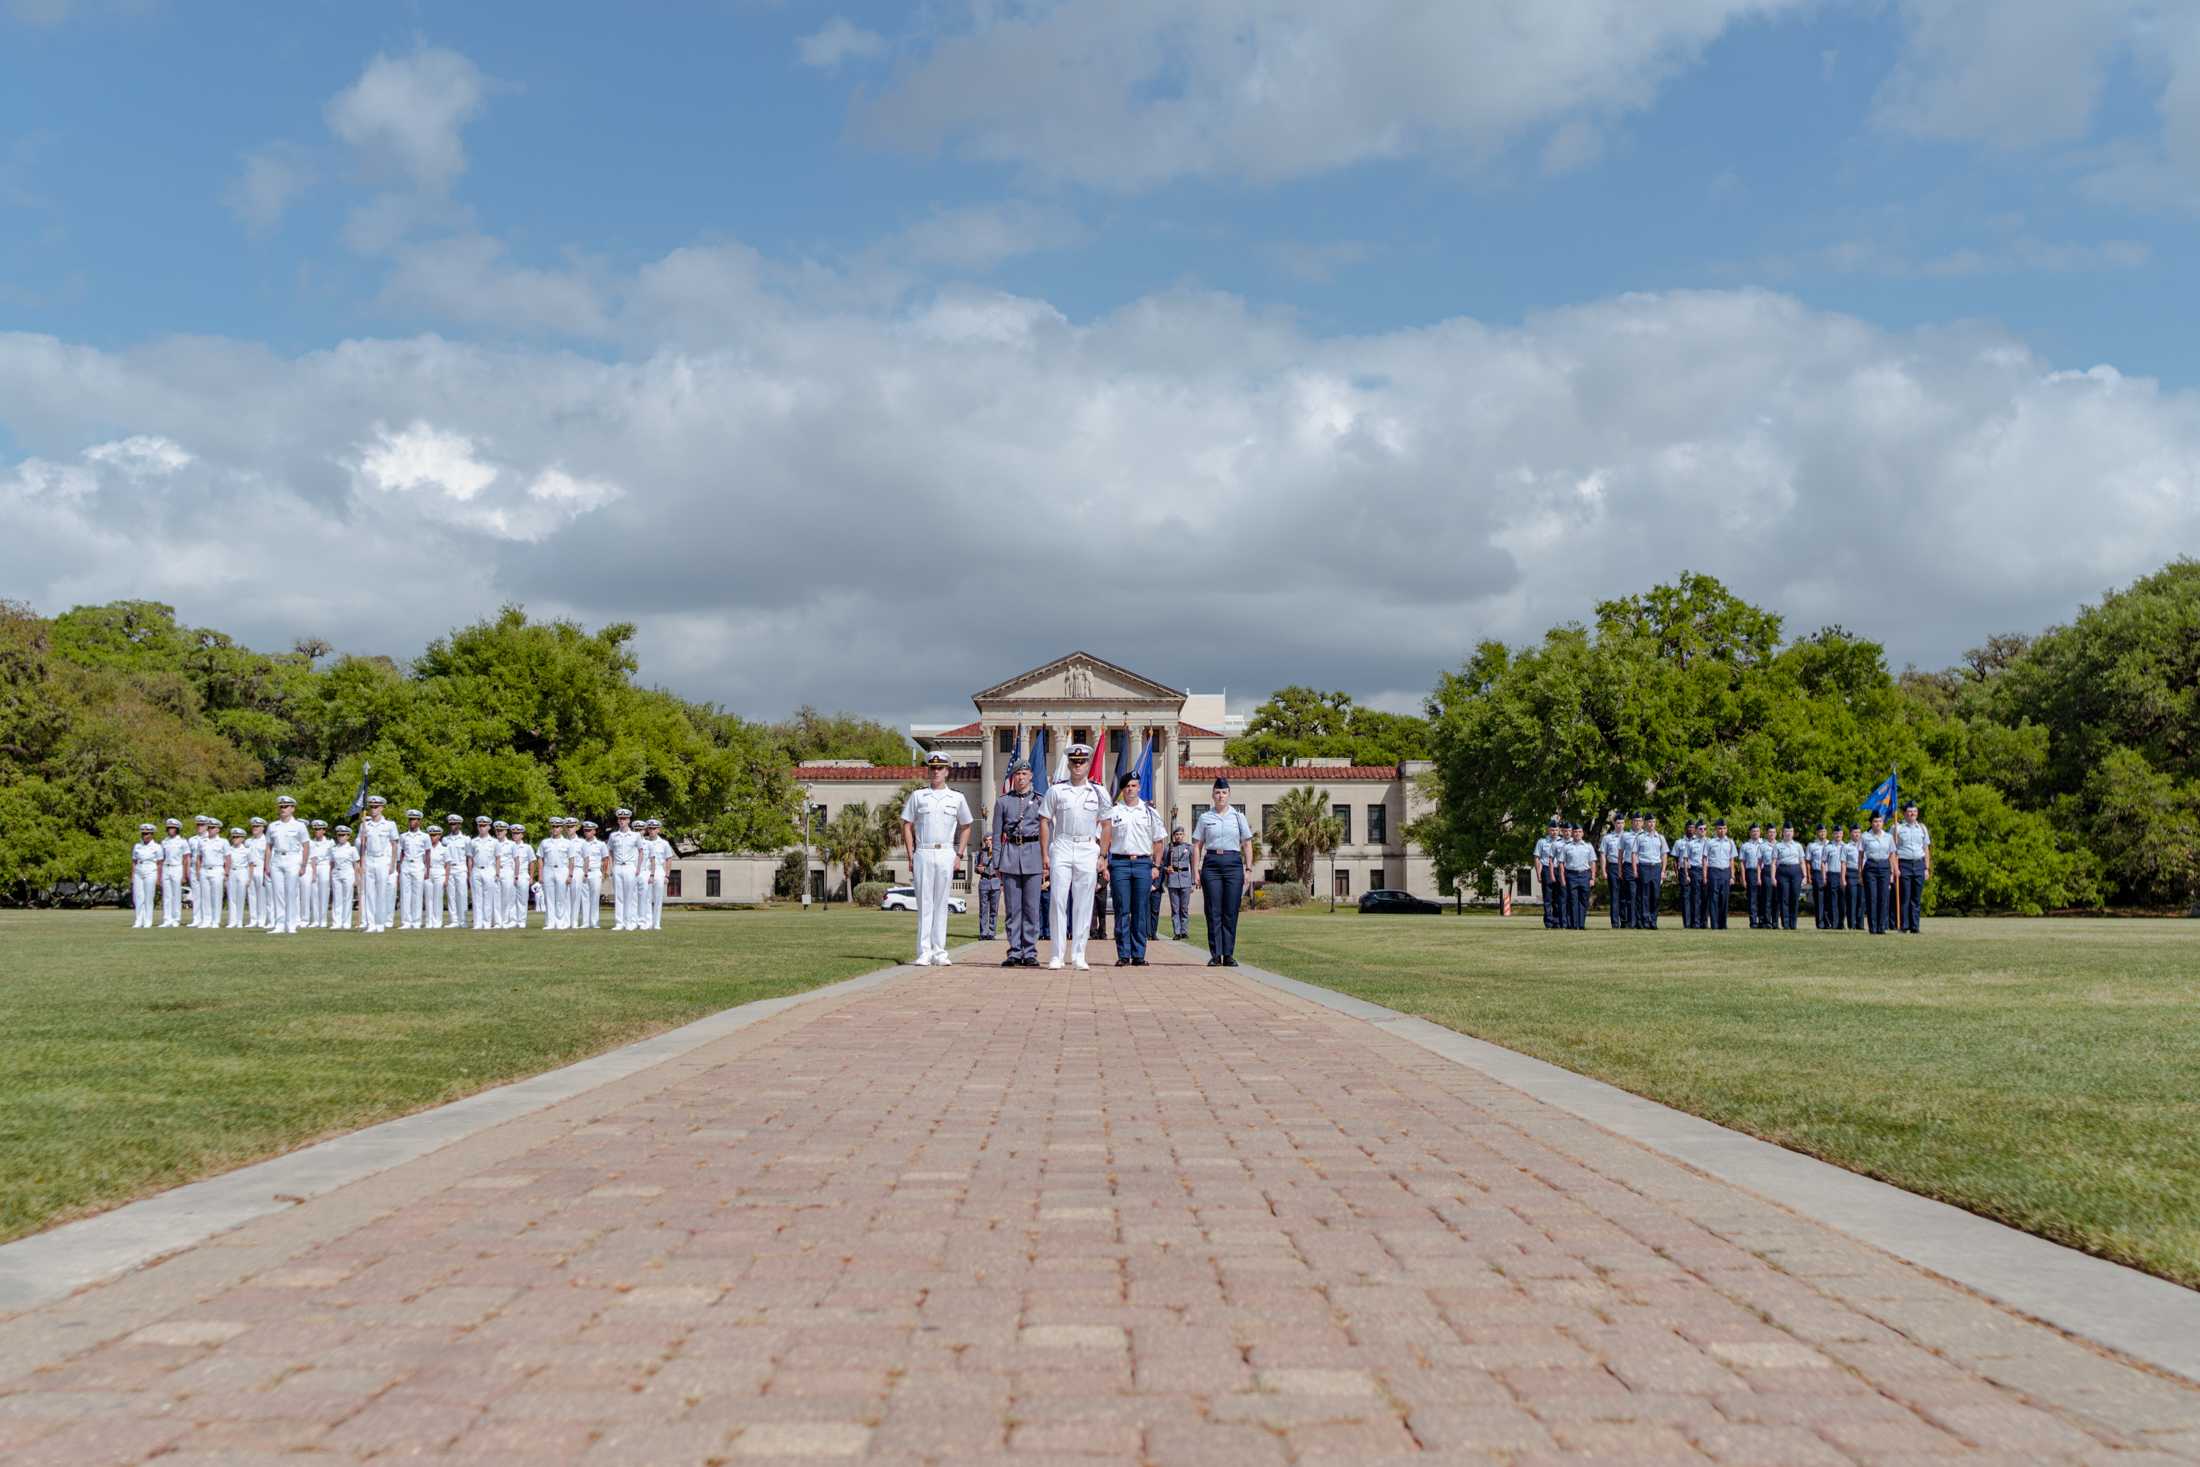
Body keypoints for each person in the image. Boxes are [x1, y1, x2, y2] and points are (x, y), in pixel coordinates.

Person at [903, 753, 973, 966]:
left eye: (940, 768)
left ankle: (940, 951)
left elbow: (967, 825)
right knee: (924, 903)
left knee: (941, 904)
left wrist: (960, 854)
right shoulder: (918, 796)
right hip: (923, 851)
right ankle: (924, 951)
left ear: (947, 771)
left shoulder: (956, 798)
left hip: (945, 852)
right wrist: (910, 854)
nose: (936, 771)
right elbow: (906, 824)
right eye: (932, 768)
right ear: (928, 770)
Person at [1040, 743, 1106, 970]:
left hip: (1088, 847)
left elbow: (1107, 824)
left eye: (1082, 762)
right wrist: (1045, 854)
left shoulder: (1098, 791)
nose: (1078, 765)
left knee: (1084, 903)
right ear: (1068, 763)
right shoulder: (1056, 790)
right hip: (1062, 845)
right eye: (1075, 762)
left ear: (1088, 764)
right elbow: (1044, 821)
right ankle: (1057, 954)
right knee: (1058, 900)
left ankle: (1079, 954)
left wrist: (1103, 854)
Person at [1102, 771, 1166, 967]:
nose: (1130, 789)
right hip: (1120, 863)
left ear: (1139, 788)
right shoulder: (1114, 811)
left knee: (1140, 910)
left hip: (1143, 864)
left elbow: (1158, 841)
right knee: (1122, 910)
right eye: (1127, 786)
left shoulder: (1149, 812)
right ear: (1122, 789)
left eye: (1134, 785)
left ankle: (1139, 954)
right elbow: (1104, 837)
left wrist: (1156, 865)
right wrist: (1103, 860)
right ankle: (1123, 954)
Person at [990, 762, 1046, 968]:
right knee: (1013, 909)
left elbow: (1046, 833)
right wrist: (997, 861)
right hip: (1011, 855)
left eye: (1024, 773)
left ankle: (1030, 951)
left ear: (1031, 775)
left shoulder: (1040, 800)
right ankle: (1014, 951)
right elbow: (997, 834)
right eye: (1018, 774)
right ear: (1013, 777)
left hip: (1034, 855)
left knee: (1031, 908)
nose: (1021, 777)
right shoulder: (1003, 802)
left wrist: (1047, 859)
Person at [1192, 776, 1250, 966]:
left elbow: (1247, 844)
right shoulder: (1205, 817)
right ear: (1212, 795)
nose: (1220, 796)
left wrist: (1248, 869)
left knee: (1231, 910)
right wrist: (1196, 870)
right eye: (1217, 792)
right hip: (1212, 863)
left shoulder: (1238, 817)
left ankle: (1229, 954)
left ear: (1229, 794)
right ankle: (1216, 954)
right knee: (1213, 910)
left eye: (1224, 792)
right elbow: (1197, 845)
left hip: (1233, 863)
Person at [266, 795, 308, 935]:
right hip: (277, 859)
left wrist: (303, 865)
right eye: (281, 806)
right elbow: (268, 847)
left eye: (286, 806)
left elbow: (306, 846)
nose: (283, 809)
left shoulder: (299, 826)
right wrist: (266, 865)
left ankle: (291, 924)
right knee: (277, 893)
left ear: (292, 809)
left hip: (292, 858)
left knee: (291, 892)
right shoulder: (273, 826)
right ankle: (279, 924)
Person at [357, 797, 397, 934]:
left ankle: (380, 923)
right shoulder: (365, 825)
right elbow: (362, 846)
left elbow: (394, 844)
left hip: (382, 860)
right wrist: (361, 863)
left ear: (382, 808)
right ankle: (371, 923)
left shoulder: (389, 825)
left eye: (376, 806)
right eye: (371, 806)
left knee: (381, 893)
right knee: (369, 893)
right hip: (369, 859)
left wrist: (392, 864)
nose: (373, 809)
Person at [1895, 801, 1931, 934]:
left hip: (1919, 864)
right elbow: (1892, 850)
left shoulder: (1922, 828)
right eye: (1910, 811)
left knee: (1916, 897)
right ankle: (1904, 926)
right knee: (1905, 896)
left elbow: (1926, 848)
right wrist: (1895, 868)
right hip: (1904, 864)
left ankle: (1915, 926)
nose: (1912, 814)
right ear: (1904, 813)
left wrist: (1926, 868)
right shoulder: (1897, 828)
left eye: (1915, 811)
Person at [607, 808, 643, 930]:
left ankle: (631, 922)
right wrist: (611, 867)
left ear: (628, 820)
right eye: (620, 819)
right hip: (618, 867)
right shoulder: (613, 836)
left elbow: (641, 851)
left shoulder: (635, 835)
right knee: (619, 896)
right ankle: (619, 922)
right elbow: (610, 852)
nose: (622, 821)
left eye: (624, 819)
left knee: (631, 896)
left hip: (629, 866)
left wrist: (638, 867)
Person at [1633, 813, 1667, 928]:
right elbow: (1634, 854)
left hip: (1656, 867)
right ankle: (1646, 920)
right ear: (1645, 823)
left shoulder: (1660, 837)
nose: (1651, 824)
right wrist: (1635, 870)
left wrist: (1663, 871)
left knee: (1656, 895)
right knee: (1644, 895)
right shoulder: (1640, 837)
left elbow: (1664, 855)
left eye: (1653, 822)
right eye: (1649, 822)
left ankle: (1654, 920)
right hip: (1644, 867)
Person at [1160, 825, 1194, 940]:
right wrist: (1166, 869)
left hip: (1185, 880)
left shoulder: (1189, 848)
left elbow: (1193, 866)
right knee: (1175, 908)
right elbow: (1162, 864)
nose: (1179, 836)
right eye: (1177, 835)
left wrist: (1193, 882)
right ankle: (1177, 932)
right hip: (1173, 880)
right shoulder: (1168, 848)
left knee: (1184, 908)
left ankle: (1184, 931)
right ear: (1174, 836)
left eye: (1181, 834)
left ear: (1183, 835)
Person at [1702, 818, 1736, 930]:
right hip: (1714, 871)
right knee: (1713, 898)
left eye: (1724, 828)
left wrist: (1732, 876)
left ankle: (1723, 924)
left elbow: (1732, 860)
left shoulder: (1730, 842)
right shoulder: (1710, 842)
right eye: (1720, 828)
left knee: (1724, 898)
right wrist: (1705, 875)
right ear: (1716, 830)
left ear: (1727, 829)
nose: (1722, 830)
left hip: (1725, 871)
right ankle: (1714, 924)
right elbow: (1705, 859)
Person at [1561, 821, 1595, 928]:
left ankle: (1581, 924)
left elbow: (1592, 863)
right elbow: (1561, 863)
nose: (1577, 834)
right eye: (1575, 832)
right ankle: (1574, 925)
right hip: (1571, 875)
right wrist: (1562, 878)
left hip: (1585, 875)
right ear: (1572, 833)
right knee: (1573, 901)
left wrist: (1592, 878)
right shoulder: (1566, 847)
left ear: (1582, 833)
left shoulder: (1588, 846)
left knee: (1584, 901)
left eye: (1579, 832)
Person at [440, 814, 471, 930]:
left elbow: (469, 857)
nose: (452, 826)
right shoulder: (445, 840)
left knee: (462, 895)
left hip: (461, 868)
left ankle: (463, 920)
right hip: (449, 869)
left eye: (454, 823)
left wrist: (469, 874)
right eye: (451, 823)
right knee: (451, 895)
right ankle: (454, 920)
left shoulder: (466, 839)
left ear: (459, 824)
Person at [130, 824, 163, 928]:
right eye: (143, 833)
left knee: (148, 897)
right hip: (139, 871)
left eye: (146, 833)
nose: (144, 835)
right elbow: (134, 862)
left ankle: (148, 921)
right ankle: (138, 920)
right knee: (138, 897)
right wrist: (132, 875)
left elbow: (160, 864)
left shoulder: (157, 847)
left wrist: (158, 878)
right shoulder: (137, 846)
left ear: (152, 834)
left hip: (150, 870)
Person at [1600, 810, 1629, 928]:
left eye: (1622, 823)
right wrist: (1603, 871)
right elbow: (1602, 854)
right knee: (1614, 895)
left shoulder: (1629, 837)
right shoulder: (1607, 838)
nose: (1620, 825)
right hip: (1613, 867)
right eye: (1618, 823)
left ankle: (1625, 921)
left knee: (1625, 895)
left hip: (1626, 867)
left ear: (1624, 824)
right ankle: (1615, 922)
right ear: (1614, 824)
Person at [1772, 823, 1803, 931]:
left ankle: (1793, 923)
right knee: (1784, 898)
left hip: (1796, 871)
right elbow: (1774, 863)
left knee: (1794, 897)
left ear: (1793, 833)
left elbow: (1802, 861)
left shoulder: (1798, 846)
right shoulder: (1778, 846)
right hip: (1783, 871)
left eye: (1790, 831)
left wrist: (1805, 876)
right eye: (1786, 831)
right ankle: (1785, 923)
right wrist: (1773, 877)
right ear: (1783, 833)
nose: (1788, 833)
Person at [328, 824, 359, 930]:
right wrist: (330, 876)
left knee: (347, 898)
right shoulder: (333, 849)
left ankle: (346, 922)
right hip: (336, 873)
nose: (341, 837)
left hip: (348, 873)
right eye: (339, 835)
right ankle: (336, 922)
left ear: (348, 836)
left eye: (343, 835)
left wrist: (356, 878)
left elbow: (356, 865)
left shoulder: (352, 849)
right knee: (337, 898)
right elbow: (331, 863)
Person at [644, 819, 674, 930]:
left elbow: (669, 859)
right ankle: (648, 922)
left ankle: (656, 923)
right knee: (647, 898)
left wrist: (667, 875)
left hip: (659, 871)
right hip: (647, 871)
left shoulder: (664, 844)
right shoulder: (644, 842)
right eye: (650, 828)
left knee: (658, 899)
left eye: (654, 828)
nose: (652, 830)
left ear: (658, 830)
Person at [243, 815, 270, 929]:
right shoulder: (248, 841)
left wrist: (266, 869)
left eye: (257, 826)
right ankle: (253, 919)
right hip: (250, 869)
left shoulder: (266, 841)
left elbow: (268, 856)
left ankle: (262, 919)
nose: (255, 828)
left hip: (261, 868)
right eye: (253, 826)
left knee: (262, 896)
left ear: (263, 828)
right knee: (251, 895)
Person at [1535, 818, 1562, 929]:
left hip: (1559, 870)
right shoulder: (1542, 842)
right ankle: (1548, 922)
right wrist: (1538, 873)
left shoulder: (1563, 842)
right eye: (1552, 830)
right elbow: (1537, 857)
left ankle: (1557, 921)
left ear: (1559, 830)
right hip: (1546, 870)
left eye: (1556, 830)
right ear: (1548, 830)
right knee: (1547, 898)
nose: (1554, 832)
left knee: (1558, 898)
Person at [578, 819, 606, 929]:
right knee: (584, 898)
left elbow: (605, 859)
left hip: (595, 871)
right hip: (584, 872)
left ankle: (594, 922)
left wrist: (604, 873)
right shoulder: (581, 844)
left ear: (594, 831)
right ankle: (585, 922)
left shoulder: (600, 844)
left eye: (589, 830)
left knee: (594, 898)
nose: (587, 832)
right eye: (585, 830)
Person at [307, 820, 333, 929]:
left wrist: (331, 873)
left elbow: (332, 860)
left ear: (324, 830)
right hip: (313, 867)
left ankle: (323, 920)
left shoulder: (330, 843)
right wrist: (313, 872)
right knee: (314, 894)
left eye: (319, 829)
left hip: (325, 867)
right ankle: (316, 920)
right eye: (315, 829)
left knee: (324, 894)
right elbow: (311, 858)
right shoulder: (310, 842)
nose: (317, 831)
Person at [974, 837, 1000, 941]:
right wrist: (978, 869)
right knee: (983, 909)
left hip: (995, 882)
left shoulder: (998, 853)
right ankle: (983, 933)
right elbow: (976, 868)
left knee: (994, 909)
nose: (988, 842)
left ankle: (991, 932)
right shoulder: (980, 854)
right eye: (986, 840)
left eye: (990, 840)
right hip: (984, 881)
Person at [223, 826, 250, 927]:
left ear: (243, 838)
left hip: (242, 872)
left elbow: (250, 864)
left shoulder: (246, 850)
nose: (235, 839)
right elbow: (225, 863)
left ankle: (239, 921)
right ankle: (232, 921)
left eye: (238, 837)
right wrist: (225, 875)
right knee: (231, 898)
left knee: (241, 897)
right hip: (232, 872)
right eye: (233, 837)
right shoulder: (229, 850)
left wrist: (249, 878)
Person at [1843, 822, 1866, 930]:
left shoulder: (1865, 846)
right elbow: (1843, 863)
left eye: (1858, 832)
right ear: (1851, 833)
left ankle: (1860, 924)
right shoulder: (1846, 847)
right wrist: (1843, 878)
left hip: (1862, 873)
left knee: (1861, 900)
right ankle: (1851, 924)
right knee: (1852, 899)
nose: (1857, 834)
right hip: (1851, 873)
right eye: (1855, 832)